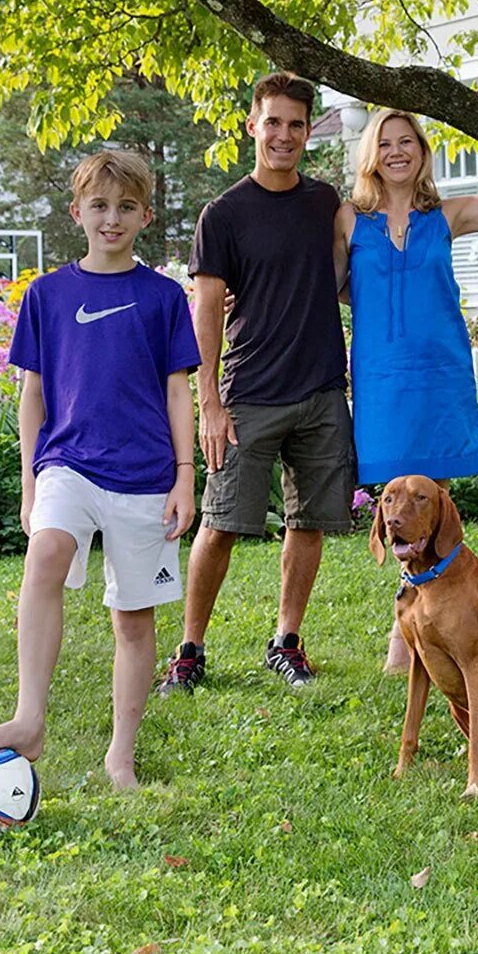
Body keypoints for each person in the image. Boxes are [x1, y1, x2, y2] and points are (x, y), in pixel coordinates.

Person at [0, 150, 201, 790]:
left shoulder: (163, 296)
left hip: (146, 475)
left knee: (133, 620)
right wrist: (29, 482)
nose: (112, 218)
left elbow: (180, 393)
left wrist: (185, 475)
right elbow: (32, 396)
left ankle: (121, 753)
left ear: (145, 215)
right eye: (99, 206)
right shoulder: (47, 294)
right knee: (44, 557)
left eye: (126, 207)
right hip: (67, 462)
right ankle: (29, 717)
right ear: (77, 212)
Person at [158, 72, 354, 693]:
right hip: (249, 394)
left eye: (296, 124)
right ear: (252, 126)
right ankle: (190, 651)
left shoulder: (325, 202)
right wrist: (209, 401)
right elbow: (206, 309)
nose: (285, 135)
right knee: (219, 523)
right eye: (273, 122)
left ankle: (286, 640)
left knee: (308, 521)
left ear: (307, 132)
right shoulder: (224, 215)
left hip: (322, 389)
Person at [335, 108, 478, 671]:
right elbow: (323, 286)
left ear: (424, 153)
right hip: (382, 377)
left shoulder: (447, 215)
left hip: (439, 372)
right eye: (386, 143)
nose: (397, 151)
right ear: (371, 156)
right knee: (396, 504)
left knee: (433, 500)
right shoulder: (349, 220)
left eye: (409, 142)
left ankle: (428, 628)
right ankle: (408, 623)